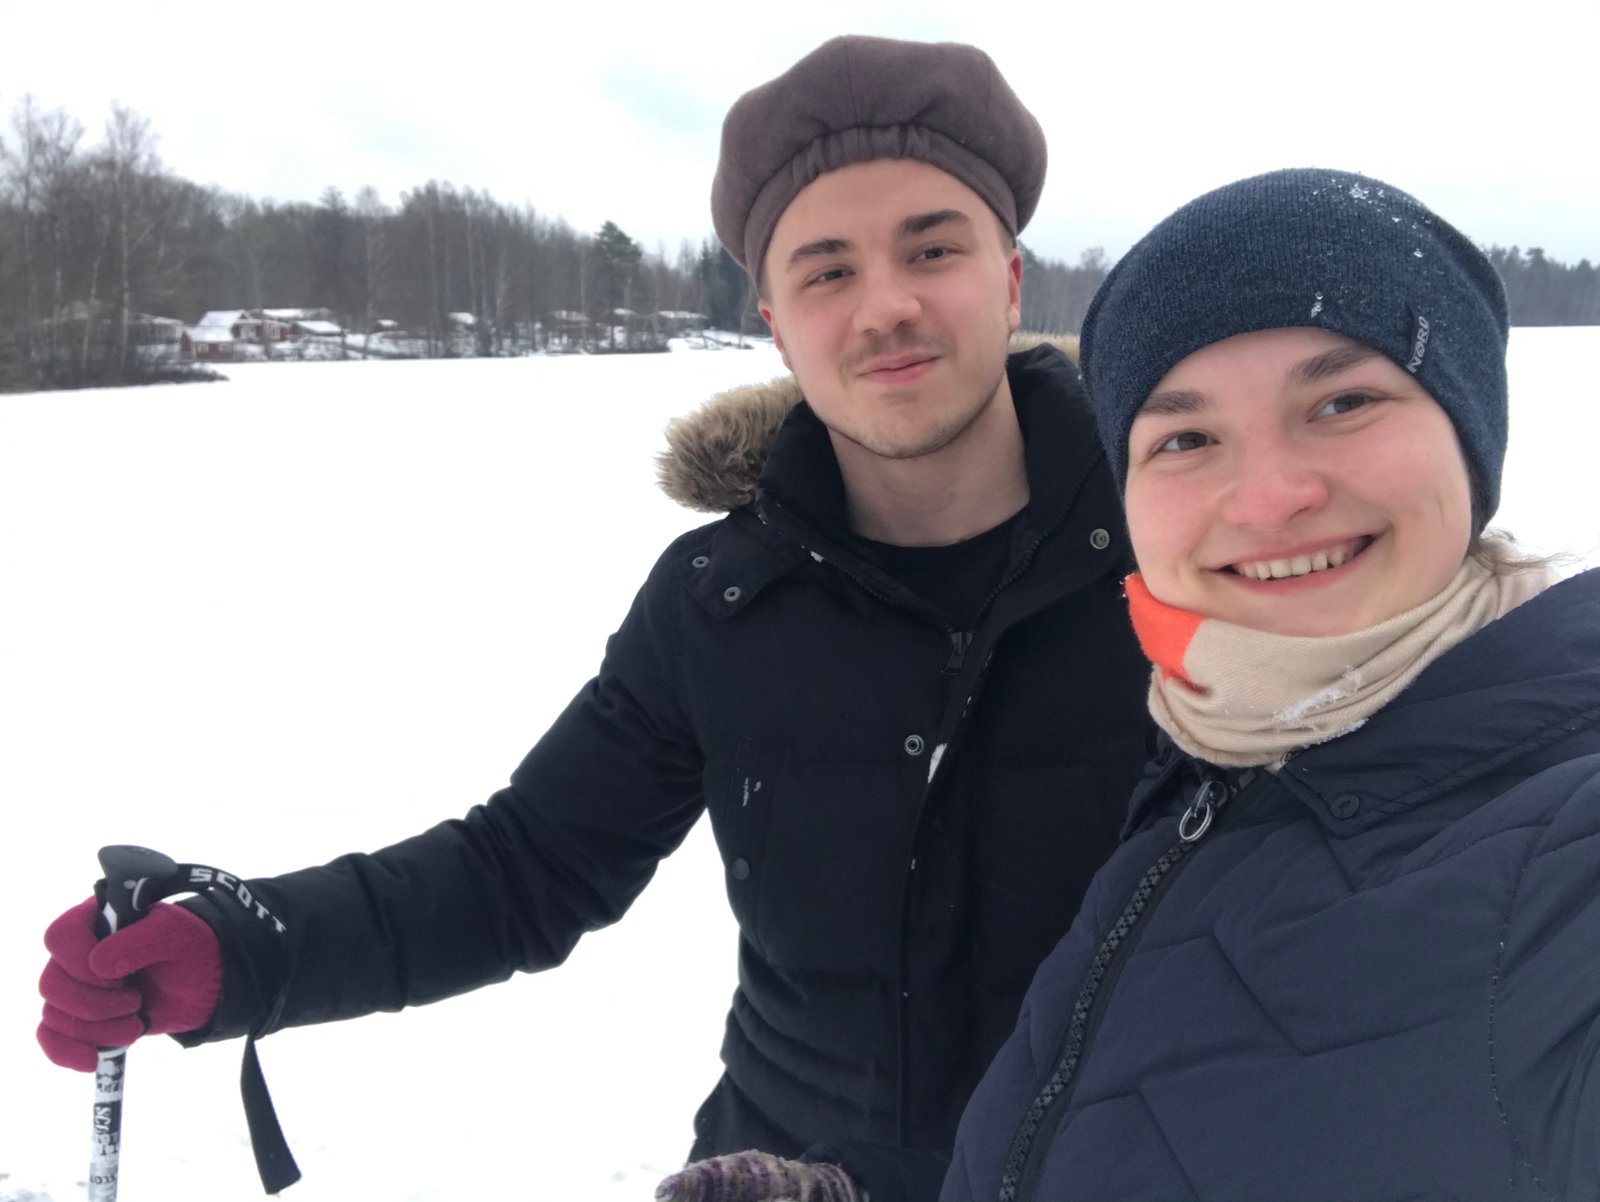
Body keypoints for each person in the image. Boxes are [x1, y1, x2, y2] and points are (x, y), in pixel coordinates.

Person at [37, 35, 1153, 1201]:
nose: (886, 306)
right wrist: (252, 945)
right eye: (827, 271)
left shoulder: (1188, 564)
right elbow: (528, 866)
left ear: (1010, 279)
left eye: (931, 248)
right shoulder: (718, 602)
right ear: (776, 321)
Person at [939, 167, 1600, 1201]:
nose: (1270, 497)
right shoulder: (1209, 762)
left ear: (1470, 434)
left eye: (1342, 401)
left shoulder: (1569, 852)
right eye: (1185, 438)